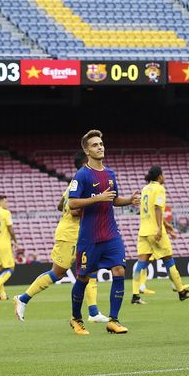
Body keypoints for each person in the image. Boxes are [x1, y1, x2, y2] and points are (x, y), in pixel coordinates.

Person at [14, 152, 108, 323]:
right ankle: (23, 298)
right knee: (57, 273)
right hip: (70, 235)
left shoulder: (75, 184)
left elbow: (60, 205)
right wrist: (97, 204)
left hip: (83, 234)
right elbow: (74, 210)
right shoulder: (82, 182)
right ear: (85, 163)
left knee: (90, 271)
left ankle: (93, 312)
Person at [67, 130, 140, 335]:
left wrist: (129, 200)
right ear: (86, 150)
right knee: (83, 278)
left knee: (119, 270)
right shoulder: (81, 175)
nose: (100, 147)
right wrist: (97, 198)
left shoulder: (110, 174)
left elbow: (113, 199)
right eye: (95, 145)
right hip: (89, 237)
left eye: (101, 143)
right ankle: (76, 319)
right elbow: (71, 202)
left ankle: (113, 320)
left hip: (110, 234)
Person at [131, 166, 189, 305]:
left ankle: (135, 295)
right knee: (169, 261)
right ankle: (181, 291)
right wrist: (161, 229)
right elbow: (157, 208)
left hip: (143, 231)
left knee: (141, 263)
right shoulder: (159, 188)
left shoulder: (145, 189)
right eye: (163, 175)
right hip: (155, 231)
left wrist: (167, 226)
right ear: (160, 176)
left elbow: (149, 211)